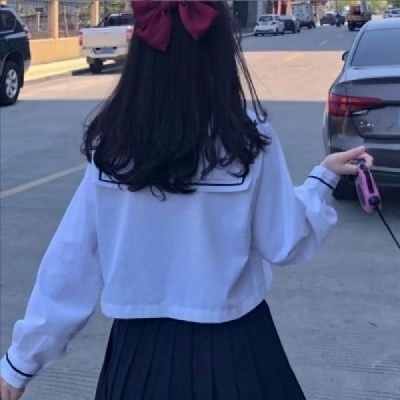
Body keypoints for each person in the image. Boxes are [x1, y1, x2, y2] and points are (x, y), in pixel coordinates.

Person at [0, 2, 372, 400]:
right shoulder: (246, 138)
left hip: (138, 362)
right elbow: (285, 240)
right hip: (237, 355)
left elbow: (72, 260)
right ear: (220, 54)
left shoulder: (115, 143)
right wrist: (321, 180)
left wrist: (20, 364)